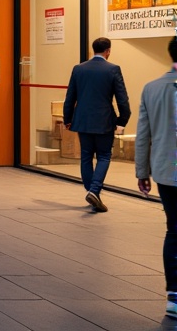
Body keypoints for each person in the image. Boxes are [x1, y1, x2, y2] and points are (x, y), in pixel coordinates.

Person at [135, 37, 177, 319]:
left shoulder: (152, 88)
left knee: (174, 228)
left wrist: (141, 172)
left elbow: (143, 135)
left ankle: (174, 295)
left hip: (166, 171)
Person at [63, 36, 131, 212]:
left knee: (86, 156)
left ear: (93, 50)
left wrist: (67, 119)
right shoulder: (113, 69)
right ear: (108, 51)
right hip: (104, 121)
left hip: (83, 121)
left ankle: (92, 193)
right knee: (103, 156)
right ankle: (94, 191)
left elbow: (70, 97)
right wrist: (122, 120)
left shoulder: (79, 69)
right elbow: (122, 99)